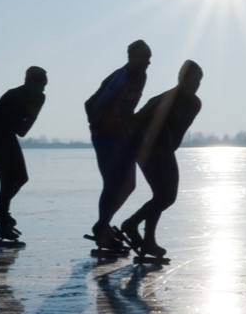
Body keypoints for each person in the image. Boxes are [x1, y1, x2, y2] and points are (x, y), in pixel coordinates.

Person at [120, 61, 203, 258]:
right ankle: (133, 226)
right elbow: (136, 120)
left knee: (163, 196)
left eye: (199, 80)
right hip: (152, 150)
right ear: (182, 78)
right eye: (193, 79)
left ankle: (144, 236)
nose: (197, 83)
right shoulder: (170, 99)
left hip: (161, 150)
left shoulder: (191, 102)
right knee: (165, 196)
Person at [84, 39, 151, 251]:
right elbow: (90, 103)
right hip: (106, 136)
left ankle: (102, 225)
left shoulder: (141, 76)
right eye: (145, 59)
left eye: (150, 60)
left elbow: (127, 109)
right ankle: (102, 228)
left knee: (128, 184)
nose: (148, 63)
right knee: (113, 183)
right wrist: (97, 125)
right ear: (132, 57)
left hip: (121, 136)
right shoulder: (121, 76)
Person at [0, 66, 47, 242]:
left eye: (43, 86)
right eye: (39, 85)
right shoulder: (13, 94)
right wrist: (17, 119)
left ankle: (1, 208)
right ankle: (2, 223)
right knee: (8, 179)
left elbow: (22, 131)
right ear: (28, 83)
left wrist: (12, 119)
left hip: (6, 134)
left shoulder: (39, 98)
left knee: (21, 177)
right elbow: (19, 128)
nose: (41, 90)